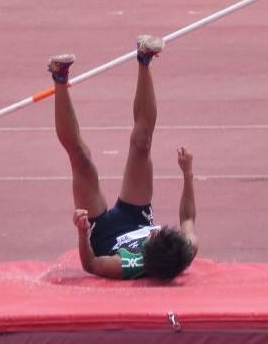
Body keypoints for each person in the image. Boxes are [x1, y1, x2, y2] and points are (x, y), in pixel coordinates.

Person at [49, 35, 199, 281]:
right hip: (135, 216)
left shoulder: (128, 264)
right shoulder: (185, 249)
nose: (155, 231)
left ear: (145, 254)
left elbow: (90, 264)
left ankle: (59, 77)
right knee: (142, 142)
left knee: (81, 158)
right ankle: (144, 58)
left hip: (100, 231)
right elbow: (188, 218)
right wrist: (187, 173)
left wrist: (82, 232)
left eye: (153, 236)